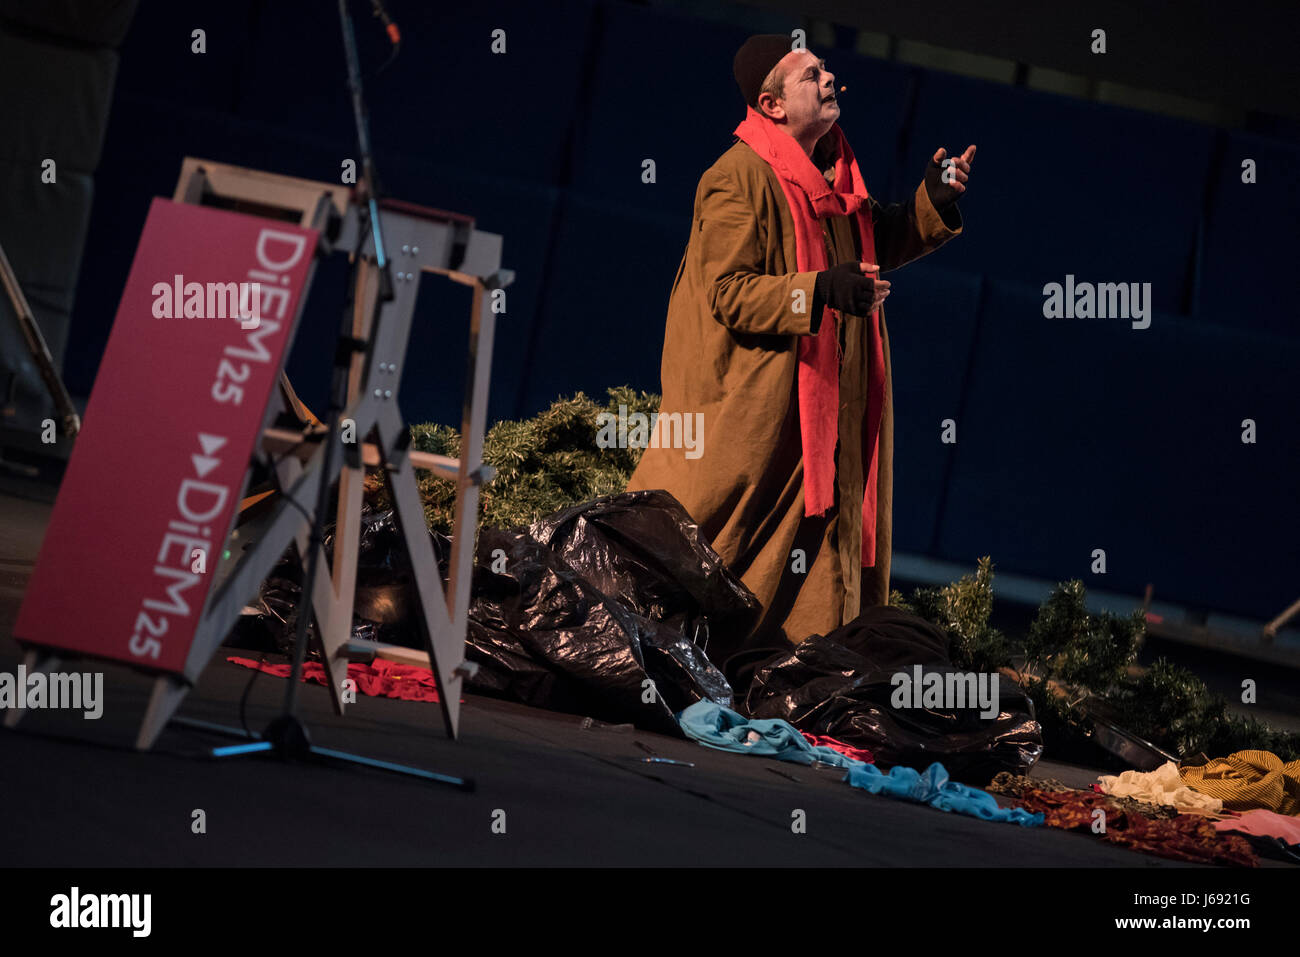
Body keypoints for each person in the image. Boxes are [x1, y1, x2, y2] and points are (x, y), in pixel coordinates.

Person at [626, 34, 975, 685]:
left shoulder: (832, 181)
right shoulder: (736, 178)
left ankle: (796, 680)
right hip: (762, 423)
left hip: (826, 420)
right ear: (773, 102)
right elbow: (728, 293)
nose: (828, 76)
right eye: (810, 73)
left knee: (814, 565)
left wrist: (933, 202)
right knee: (725, 557)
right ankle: (691, 666)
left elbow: (874, 238)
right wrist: (820, 291)